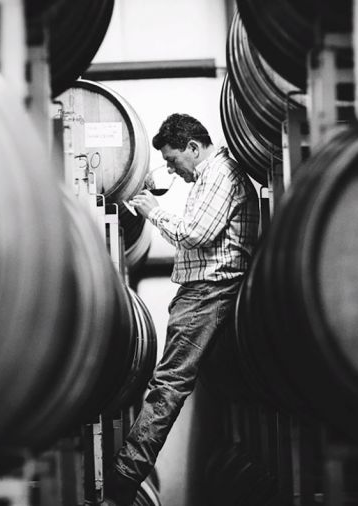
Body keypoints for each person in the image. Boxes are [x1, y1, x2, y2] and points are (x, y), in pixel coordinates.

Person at [106, 113, 260, 505]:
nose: (173, 171)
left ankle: (123, 478)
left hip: (209, 290)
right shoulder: (213, 175)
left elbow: (196, 233)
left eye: (174, 161)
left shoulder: (220, 174)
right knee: (201, 381)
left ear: (193, 147)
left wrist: (151, 211)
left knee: (169, 385)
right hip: (205, 290)